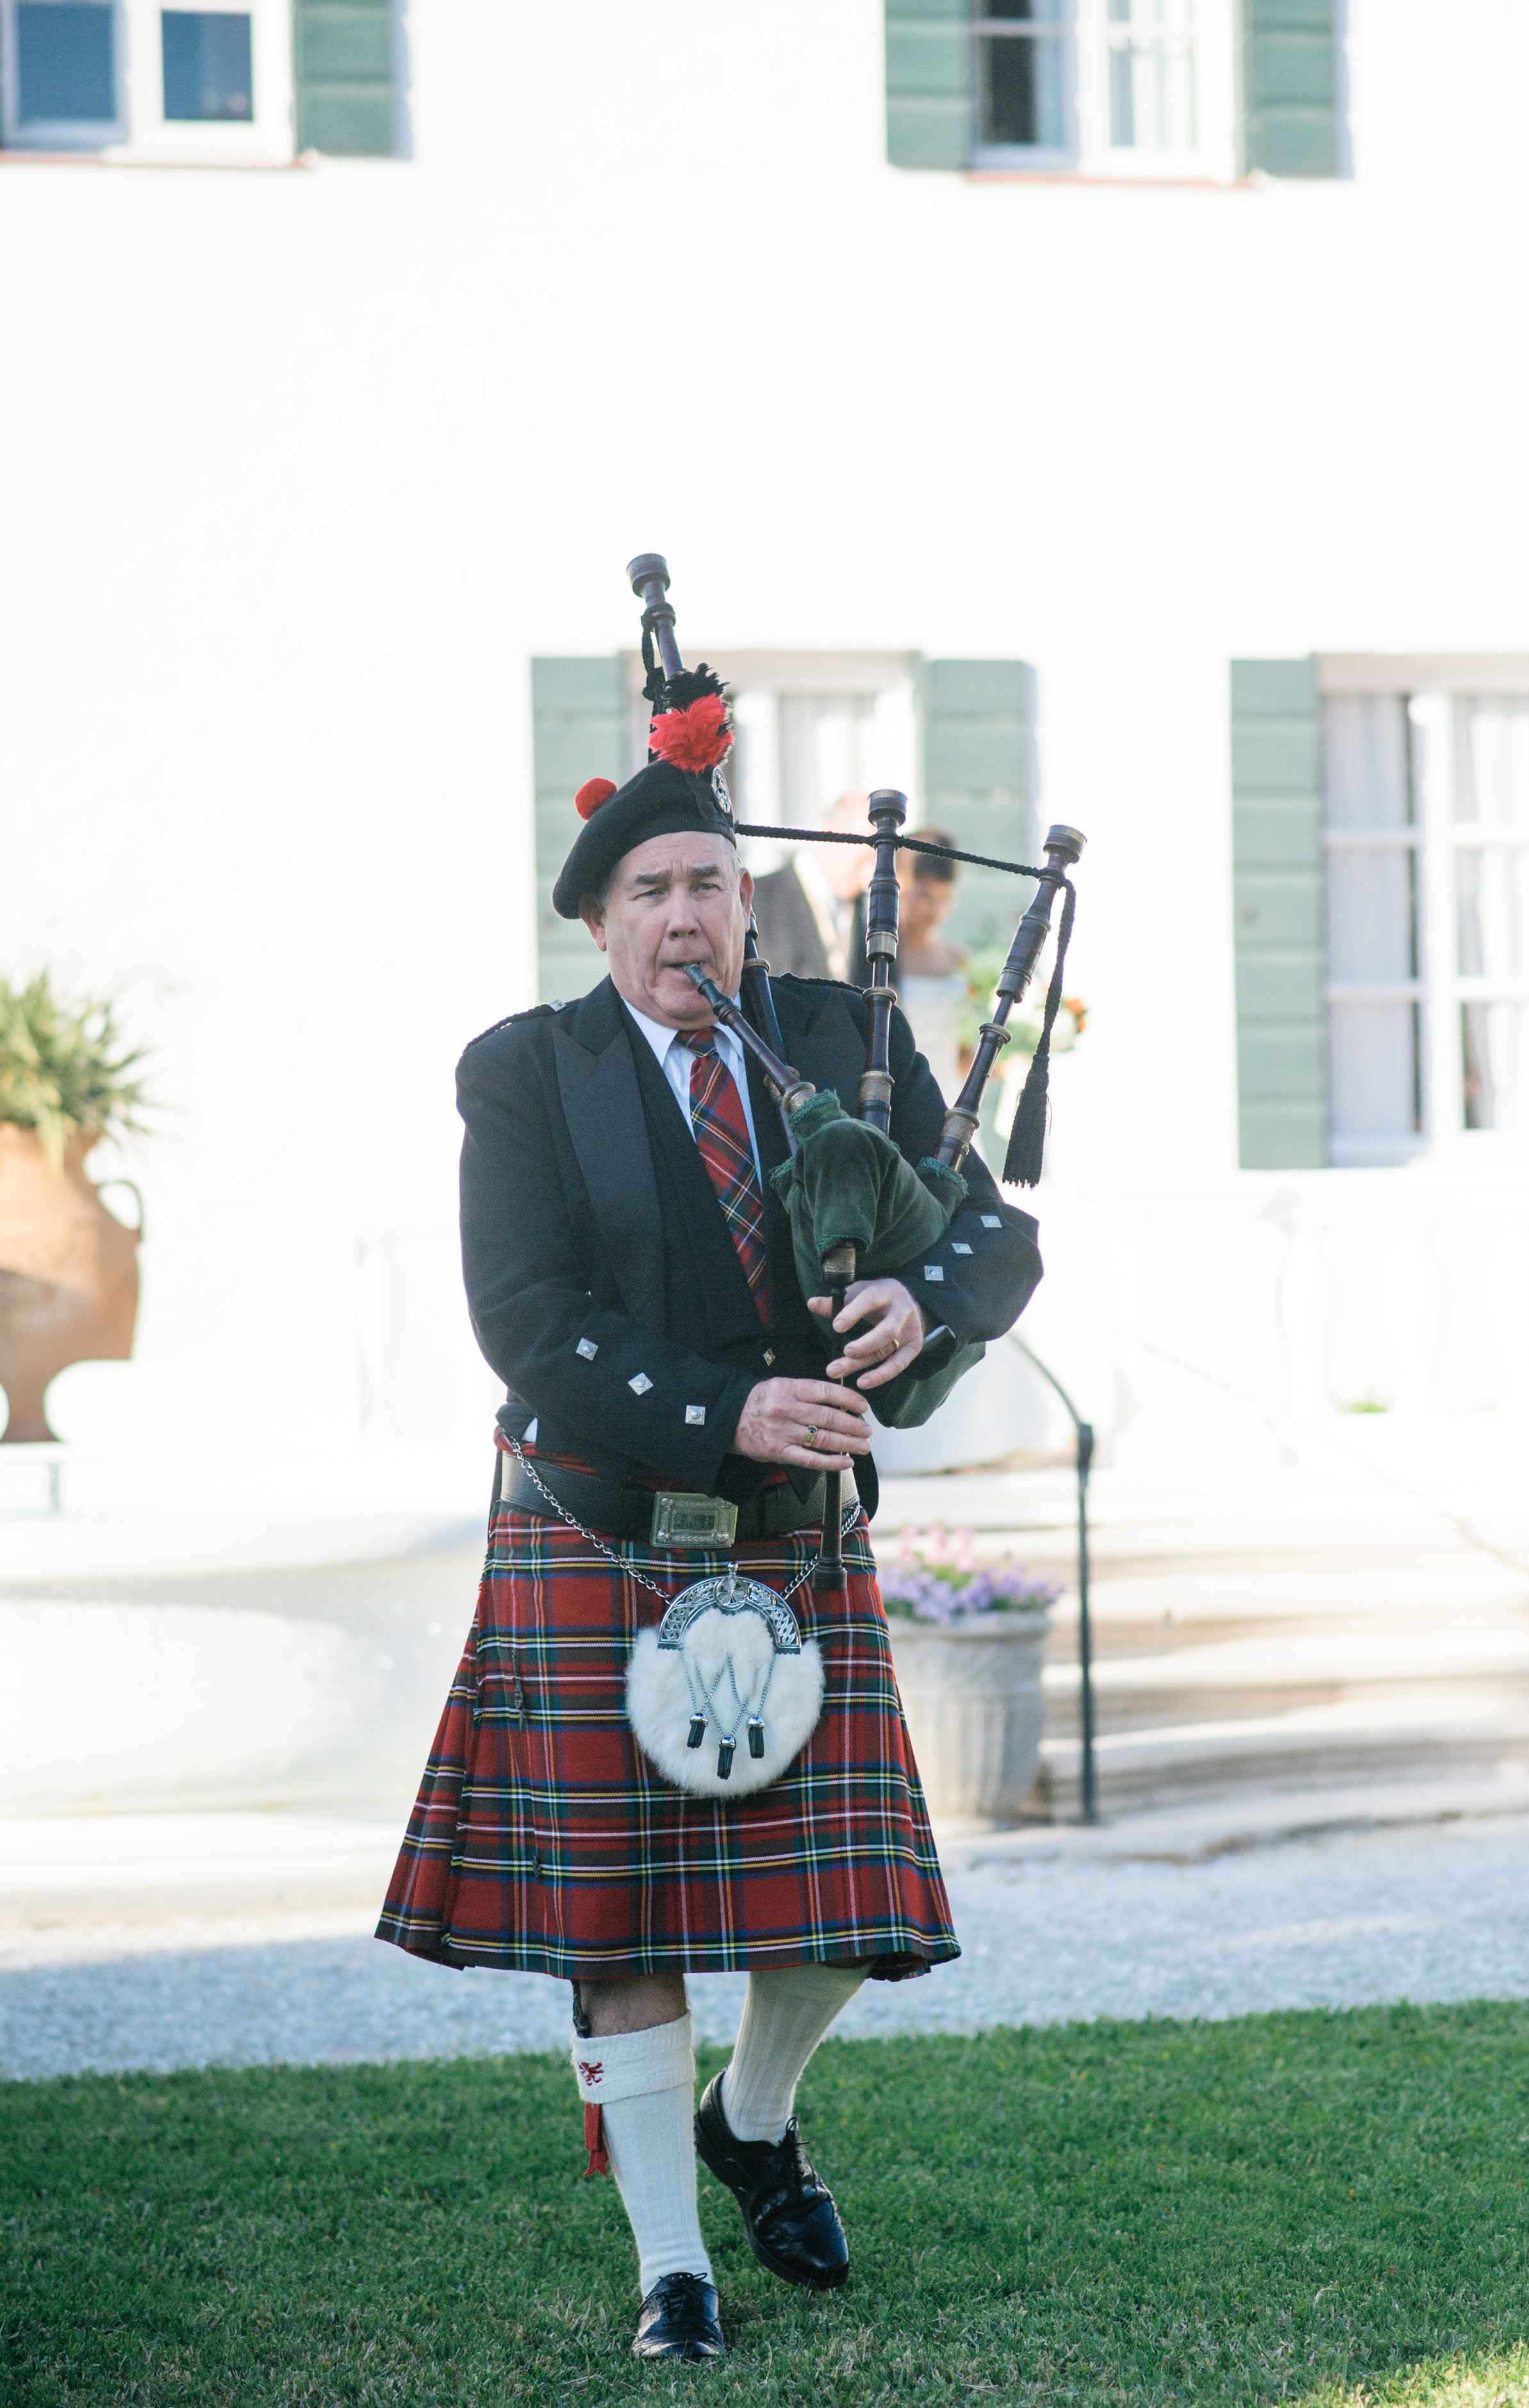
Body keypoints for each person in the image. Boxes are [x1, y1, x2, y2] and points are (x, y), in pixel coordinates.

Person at [377, 688, 1042, 2366]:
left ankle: (756, 2110)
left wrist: (919, 1292)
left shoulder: (842, 1040)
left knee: (845, 1903)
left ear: (748, 901)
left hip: (790, 1538)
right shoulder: (529, 1072)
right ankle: (673, 2259)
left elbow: (995, 1234)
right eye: (650, 890)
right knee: (618, 1923)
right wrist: (722, 1404)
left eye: (710, 882)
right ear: (600, 922)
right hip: (596, 1531)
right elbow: (524, 1319)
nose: (687, 913)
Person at [751, 790, 873, 984]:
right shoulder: (756, 899)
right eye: (866, 858)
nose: (872, 871)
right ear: (831, 836)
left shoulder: (871, 912)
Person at [894, 828, 967, 1099]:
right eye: (924, 896)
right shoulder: (877, 958)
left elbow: (964, 1054)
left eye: (944, 898)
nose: (934, 910)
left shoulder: (959, 960)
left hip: (949, 1096)